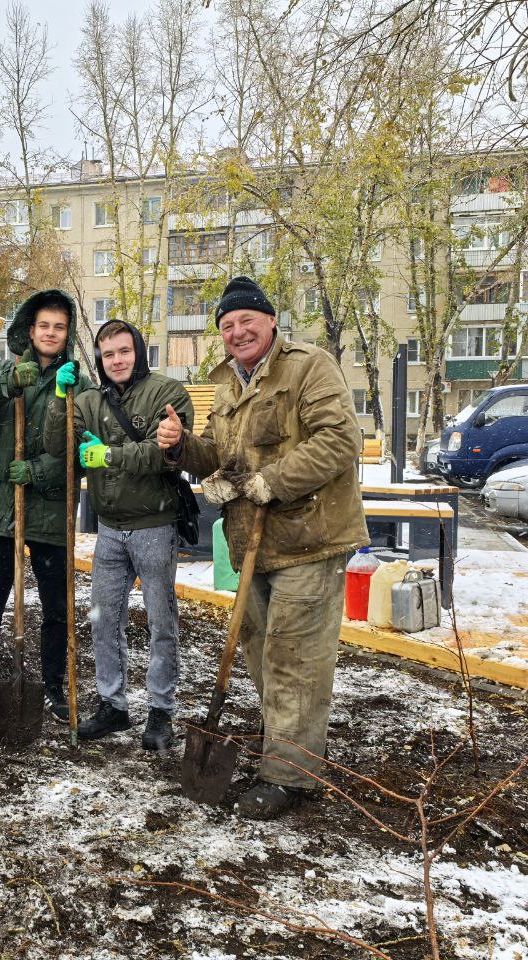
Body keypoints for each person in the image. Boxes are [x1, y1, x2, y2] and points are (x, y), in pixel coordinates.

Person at [157, 275, 368, 819]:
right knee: (257, 647)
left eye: (246, 320)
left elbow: (339, 441)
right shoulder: (226, 384)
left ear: (270, 321)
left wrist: (273, 481)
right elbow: (220, 458)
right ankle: (282, 735)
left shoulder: (308, 366)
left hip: (310, 537)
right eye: (226, 325)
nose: (236, 331)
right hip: (250, 541)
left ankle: (290, 777)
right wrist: (184, 448)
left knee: (294, 657)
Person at [43, 319, 194, 751]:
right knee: (104, 621)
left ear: (139, 352)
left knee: (161, 622)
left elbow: (162, 454)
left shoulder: (167, 393)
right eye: (108, 355)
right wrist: (60, 398)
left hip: (154, 526)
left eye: (124, 352)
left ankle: (161, 710)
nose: (117, 361)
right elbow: (57, 445)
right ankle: (114, 705)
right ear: (99, 359)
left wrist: (107, 453)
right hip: (108, 528)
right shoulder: (89, 399)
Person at [0, 290, 91, 722]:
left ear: (67, 334)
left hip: (49, 510)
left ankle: (53, 688)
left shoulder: (78, 384)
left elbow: (82, 446)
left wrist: (42, 471)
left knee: (57, 608)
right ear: (31, 329)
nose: (50, 333)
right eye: (44, 325)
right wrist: (8, 383)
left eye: (59, 327)